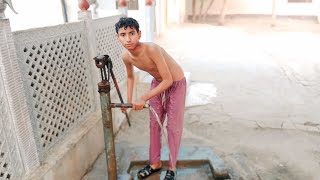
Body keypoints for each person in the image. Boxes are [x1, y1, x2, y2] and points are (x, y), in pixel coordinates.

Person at [115, 17, 186, 180]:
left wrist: (143, 97)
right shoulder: (126, 57)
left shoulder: (152, 49)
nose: (128, 39)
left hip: (175, 83)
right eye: (123, 34)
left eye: (132, 33)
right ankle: (155, 163)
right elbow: (131, 77)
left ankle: (172, 167)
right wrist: (129, 100)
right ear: (117, 37)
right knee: (154, 123)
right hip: (158, 83)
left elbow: (168, 79)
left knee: (173, 126)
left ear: (139, 34)